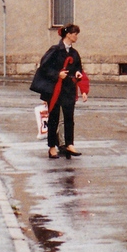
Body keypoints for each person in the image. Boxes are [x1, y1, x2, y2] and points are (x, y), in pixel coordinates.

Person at [30, 24, 87, 158]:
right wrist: (57, 75)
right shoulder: (55, 50)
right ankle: (51, 147)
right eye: (75, 34)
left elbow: (78, 68)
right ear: (68, 34)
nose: (76, 36)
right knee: (54, 118)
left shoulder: (74, 53)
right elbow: (44, 67)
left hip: (69, 89)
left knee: (69, 118)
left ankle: (69, 144)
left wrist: (78, 73)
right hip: (55, 89)